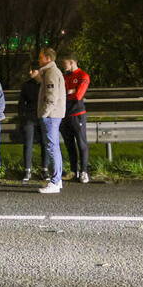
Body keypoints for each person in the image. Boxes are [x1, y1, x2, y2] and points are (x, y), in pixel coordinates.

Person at [36, 47, 67, 194]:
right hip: (53, 115)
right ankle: (57, 179)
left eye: (41, 57)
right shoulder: (50, 72)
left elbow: (51, 96)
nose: (39, 59)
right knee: (54, 147)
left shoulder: (51, 73)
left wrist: (44, 113)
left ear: (48, 58)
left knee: (52, 147)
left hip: (51, 116)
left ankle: (55, 181)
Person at [60, 56, 91, 184]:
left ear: (72, 62)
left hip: (77, 114)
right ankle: (74, 171)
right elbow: (60, 93)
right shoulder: (64, 76)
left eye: (64, 63)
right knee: (69, 145)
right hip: (64, 115)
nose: (63, 66)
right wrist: (69, 92)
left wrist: (67, 93)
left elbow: (78, 95)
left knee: (81, 143)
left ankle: (84, 172)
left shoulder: (83, 75)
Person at [18, 63, 47, 183]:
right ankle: (27, 170)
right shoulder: (26, 85)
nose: (30, 72)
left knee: (45, 143)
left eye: (32, 70)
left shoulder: (46, 84)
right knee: (28, 143)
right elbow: (21, 103)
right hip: (30, 117)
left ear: (39, 71)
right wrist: (23, 116)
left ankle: (44, 170)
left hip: (44, 116)